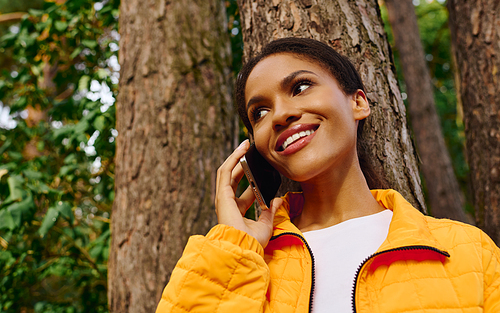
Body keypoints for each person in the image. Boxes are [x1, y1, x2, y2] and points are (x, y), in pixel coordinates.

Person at [155, 38, 500, 312]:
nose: (280, 115)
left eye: (301, 87)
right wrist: (231, 250)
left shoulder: (470, 251)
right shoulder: (241, 260)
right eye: (260, 111)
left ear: (358, 103)